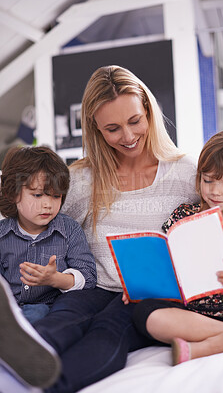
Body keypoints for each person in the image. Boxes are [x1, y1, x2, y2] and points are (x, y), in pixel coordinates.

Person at [0, 65, 199, 392]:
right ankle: (12, 370)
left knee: (108, 331)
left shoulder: (186, 173)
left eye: (135, 121)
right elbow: (37, 215)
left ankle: (49, 387)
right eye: (113, 128)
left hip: (149, 297)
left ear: (148, 110)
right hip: (93, 286)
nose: (129, 136)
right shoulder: (81, 179)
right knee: (62, 320)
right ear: (95, 128)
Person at [133, 128, 223, 365]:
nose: (215, 191)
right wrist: (142, 285)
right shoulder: (183, 215)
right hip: (197, 318)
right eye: (208, 180)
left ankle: (207, 348)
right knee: (147, 314)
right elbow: (162, 268)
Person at [0, 146, 97, 324]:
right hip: (9, 311)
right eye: (37, 195)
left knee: (38, 312)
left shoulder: (70, 230)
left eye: (55, 196)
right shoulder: (2, 235)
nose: (47, 204)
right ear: (11, 193)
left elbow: (88, 276)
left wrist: (56, 279)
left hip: (52, 311)